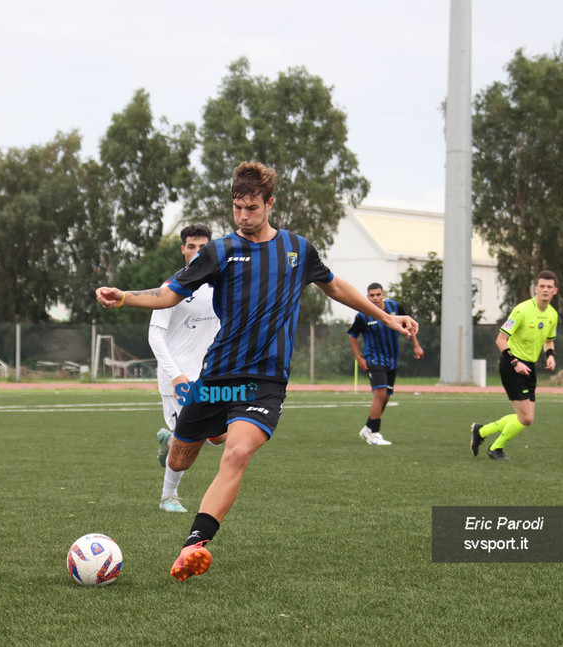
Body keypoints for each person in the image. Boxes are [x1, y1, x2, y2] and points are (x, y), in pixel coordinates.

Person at [96, 161, 418, 582]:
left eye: (251, 208)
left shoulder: (298, 250)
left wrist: (387, 317)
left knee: (237, 452)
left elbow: (336, 286)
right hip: (217, 378)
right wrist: (125, 297)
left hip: (264, 382)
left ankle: (194, 544)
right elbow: (169, 294)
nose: (243, 216)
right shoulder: (219, 251)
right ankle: (174, 442)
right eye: (237, 208)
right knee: (181, 455)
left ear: (269, 204)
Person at [148, 224, 222, 513]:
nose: (197, 252)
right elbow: (154, 336)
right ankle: (169, 497)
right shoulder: (172, 287)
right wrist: (176, 375)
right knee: (189, 441)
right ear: (183, 250)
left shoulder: (219, 286)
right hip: (177, 377)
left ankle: (169, 440)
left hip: (209, 376)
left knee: (217, 436)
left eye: (203, 247)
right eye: (191, 246)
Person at [470, 270, 559, 462]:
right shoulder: (522, 310)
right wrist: (515, 362)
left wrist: (550, 356)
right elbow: (500, 340)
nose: (545, 290)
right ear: (535, 289)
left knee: (526, 417)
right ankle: (495, 448)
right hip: (512, 364)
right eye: (542, 286)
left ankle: (481, 431)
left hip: (529, 367)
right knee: (526, 418)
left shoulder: (552, 314)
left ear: (555, 291)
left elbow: (549, 340)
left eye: (549, 287)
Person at [348, 283, 423, 445]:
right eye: (372, 295)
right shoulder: (362, 315)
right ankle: (374, 434)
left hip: (392, 359)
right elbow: (352, 335)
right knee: (380, 393)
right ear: (367, 297)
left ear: (383, 294)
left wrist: (416, 345)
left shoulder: (394, 307)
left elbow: (408, 324)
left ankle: (368, 428)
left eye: (378, 294)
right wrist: (359, 358)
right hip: (374, 359)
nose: (375, 298)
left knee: (386, 397)